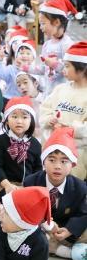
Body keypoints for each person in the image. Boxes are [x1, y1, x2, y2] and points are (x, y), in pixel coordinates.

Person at [24, 128, 87, 260]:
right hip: (41, 227)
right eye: (52, 160)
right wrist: (46, 225)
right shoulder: (31, 182)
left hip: (66, 228)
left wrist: (69, 230)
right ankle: (63, 250)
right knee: (19, 229)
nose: (57, 166)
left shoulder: (80, 187)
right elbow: (28, 211)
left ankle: (54, 247)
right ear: (43, 161)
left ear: (72, 164)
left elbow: (83, 213)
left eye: (64, 161)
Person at [39, 41, 87, 180]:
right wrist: (49, 120)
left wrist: (70, 130)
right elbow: (45, 110)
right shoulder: (60, 89)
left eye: (67, 66)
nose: (63, 70)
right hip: (54, 153)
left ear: (82, 68)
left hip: (78, 157)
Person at [0, 96, 42, 200]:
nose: (19, 121)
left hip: (27, 185)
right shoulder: (0, 141)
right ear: (6, 120)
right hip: (4, 183)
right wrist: (7, 185)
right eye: (14, 117)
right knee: (10, 198)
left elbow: (38, 169)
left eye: (24, 117)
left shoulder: (35, 143)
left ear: (31, 120)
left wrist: (29, 185)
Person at [34, 0, 78, 93]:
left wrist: (55, 64)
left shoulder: (68, 45)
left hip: (63, 94)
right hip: (48, 92)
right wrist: (28, 68)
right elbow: (44, 69)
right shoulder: (46, 44)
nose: (41, 27)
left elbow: (71, 73)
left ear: (57, 22)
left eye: (43, 23)